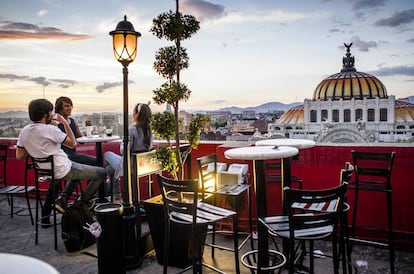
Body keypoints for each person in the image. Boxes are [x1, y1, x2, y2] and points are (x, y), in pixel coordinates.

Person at [16, 98, 106, 227]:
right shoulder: (51, 130)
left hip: (47, 171)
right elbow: (73, 143)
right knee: (102, 172)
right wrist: (64, 123)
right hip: (64, 168)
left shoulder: (24, 131)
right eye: (51, 112)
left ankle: (62, 200)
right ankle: (81, 204)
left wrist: (36, 148)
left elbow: (20, 156)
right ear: (45, 114)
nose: (52, 115)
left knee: (79, 174)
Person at [104, 103, 152, 203]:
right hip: (142, 166)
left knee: (107, 154)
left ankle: (115, 195)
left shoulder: (132, 129)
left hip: (129, 165)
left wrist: (122, 144)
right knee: (110, 168)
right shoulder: (149, 130)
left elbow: (124, 151)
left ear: (137, 114)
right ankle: (115, 195)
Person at [55, 96, 97, 201]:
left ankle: (87, 195)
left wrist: (89, 132)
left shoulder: (72, 121)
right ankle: (86, 198)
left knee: (96, 162)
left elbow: (80, 139)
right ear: (59, 108)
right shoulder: (56, 123)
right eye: (66, 106)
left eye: (70, 106)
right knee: (94, 164)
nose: (69, 108)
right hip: (64, 157)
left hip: (73, 155)